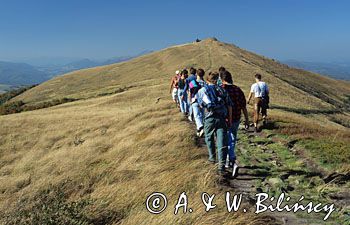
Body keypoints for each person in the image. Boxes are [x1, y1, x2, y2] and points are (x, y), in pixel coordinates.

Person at [197, 72, 233, 175]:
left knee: (209, 138)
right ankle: (221, 166)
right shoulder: (222, 90)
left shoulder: (202, 90)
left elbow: (200, 106)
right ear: (217, 79)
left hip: (209, 118)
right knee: (221, 141)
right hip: (221, 118)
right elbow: (230, 105)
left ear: (207, 80)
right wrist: (229, 120)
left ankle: (212, 159)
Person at [221, 70, 249, 177]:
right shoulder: (238, 89)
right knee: (232, 139)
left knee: (226, 140)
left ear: (222, 79)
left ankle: (231, 161)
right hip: (237, 118)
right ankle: (230, 160)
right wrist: (247, 119)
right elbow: (243, 106)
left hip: (226, 119)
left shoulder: (222, 89)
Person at [188, 68, 206, 137]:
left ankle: (200, 127)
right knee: (202, 115)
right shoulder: (205, 83)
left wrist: (190, 101)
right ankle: (201, 129)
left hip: (194, 100)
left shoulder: (192, 82)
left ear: (197, 74)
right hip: (203, 101)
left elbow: (190, 92)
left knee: (196, 116)